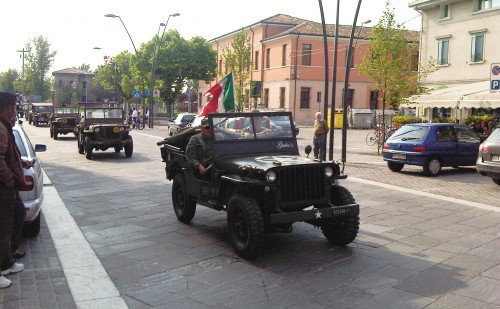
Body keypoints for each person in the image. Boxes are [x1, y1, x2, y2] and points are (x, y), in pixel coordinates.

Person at [0, 91, 26, 289]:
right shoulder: (1, 129)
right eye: (15, 107)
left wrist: (20, 163)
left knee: (14, 217)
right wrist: (9, 178)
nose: (16, 111)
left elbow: (9, 155)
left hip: (8, 186)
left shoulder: (5, 128)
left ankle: (7, 262)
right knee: (3, 228)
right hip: (3, 186)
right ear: (9, 109)